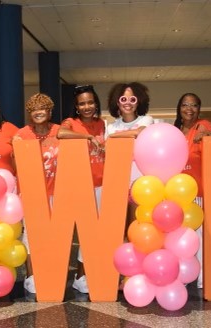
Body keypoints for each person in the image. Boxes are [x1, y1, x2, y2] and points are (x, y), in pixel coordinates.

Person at [57, 85, 105, 294]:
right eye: (82, 103)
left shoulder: (102, 124)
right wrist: (87, 137)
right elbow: (60, 133)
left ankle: (86, 274)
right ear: (76, 107)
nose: (87, 106)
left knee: (96, 234)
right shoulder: (71, 123)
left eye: (90, 102)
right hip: (80, 185)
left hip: (102, 184)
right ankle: (79, 274)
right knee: (83, 233)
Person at [173, 92, 211, 288]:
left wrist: (207, 134)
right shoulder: (176, 131)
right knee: (180, 237)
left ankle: (202, 277)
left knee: (199, 236)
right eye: (185, 104)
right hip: (177, 194)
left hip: (197, 192)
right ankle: (183, 275)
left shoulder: (202, 125)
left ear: (199, 109)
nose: (189, 109)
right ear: (179, 108)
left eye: (193, 105)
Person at [13, 93, 61, 295]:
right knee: (31, 238)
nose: (38, 112)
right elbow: (16, 165)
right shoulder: (21, 135)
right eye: (34, 109)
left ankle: (52, 272)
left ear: (50, 111)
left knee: (55, 236)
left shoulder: (59, 131)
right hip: (31, 194)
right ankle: (32, 276)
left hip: (56, 193)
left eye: (42, 108)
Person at [106, 82, 154, 229]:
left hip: (140, 183)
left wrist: (113, 137)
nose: (128, 103)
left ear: (139, 101)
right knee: (119, 229)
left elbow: (139, 132)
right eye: (123, 99)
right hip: (118, 182)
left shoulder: (146, 120)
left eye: (132, 99)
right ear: (117, 102)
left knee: (136, 226)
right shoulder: (111, 127)